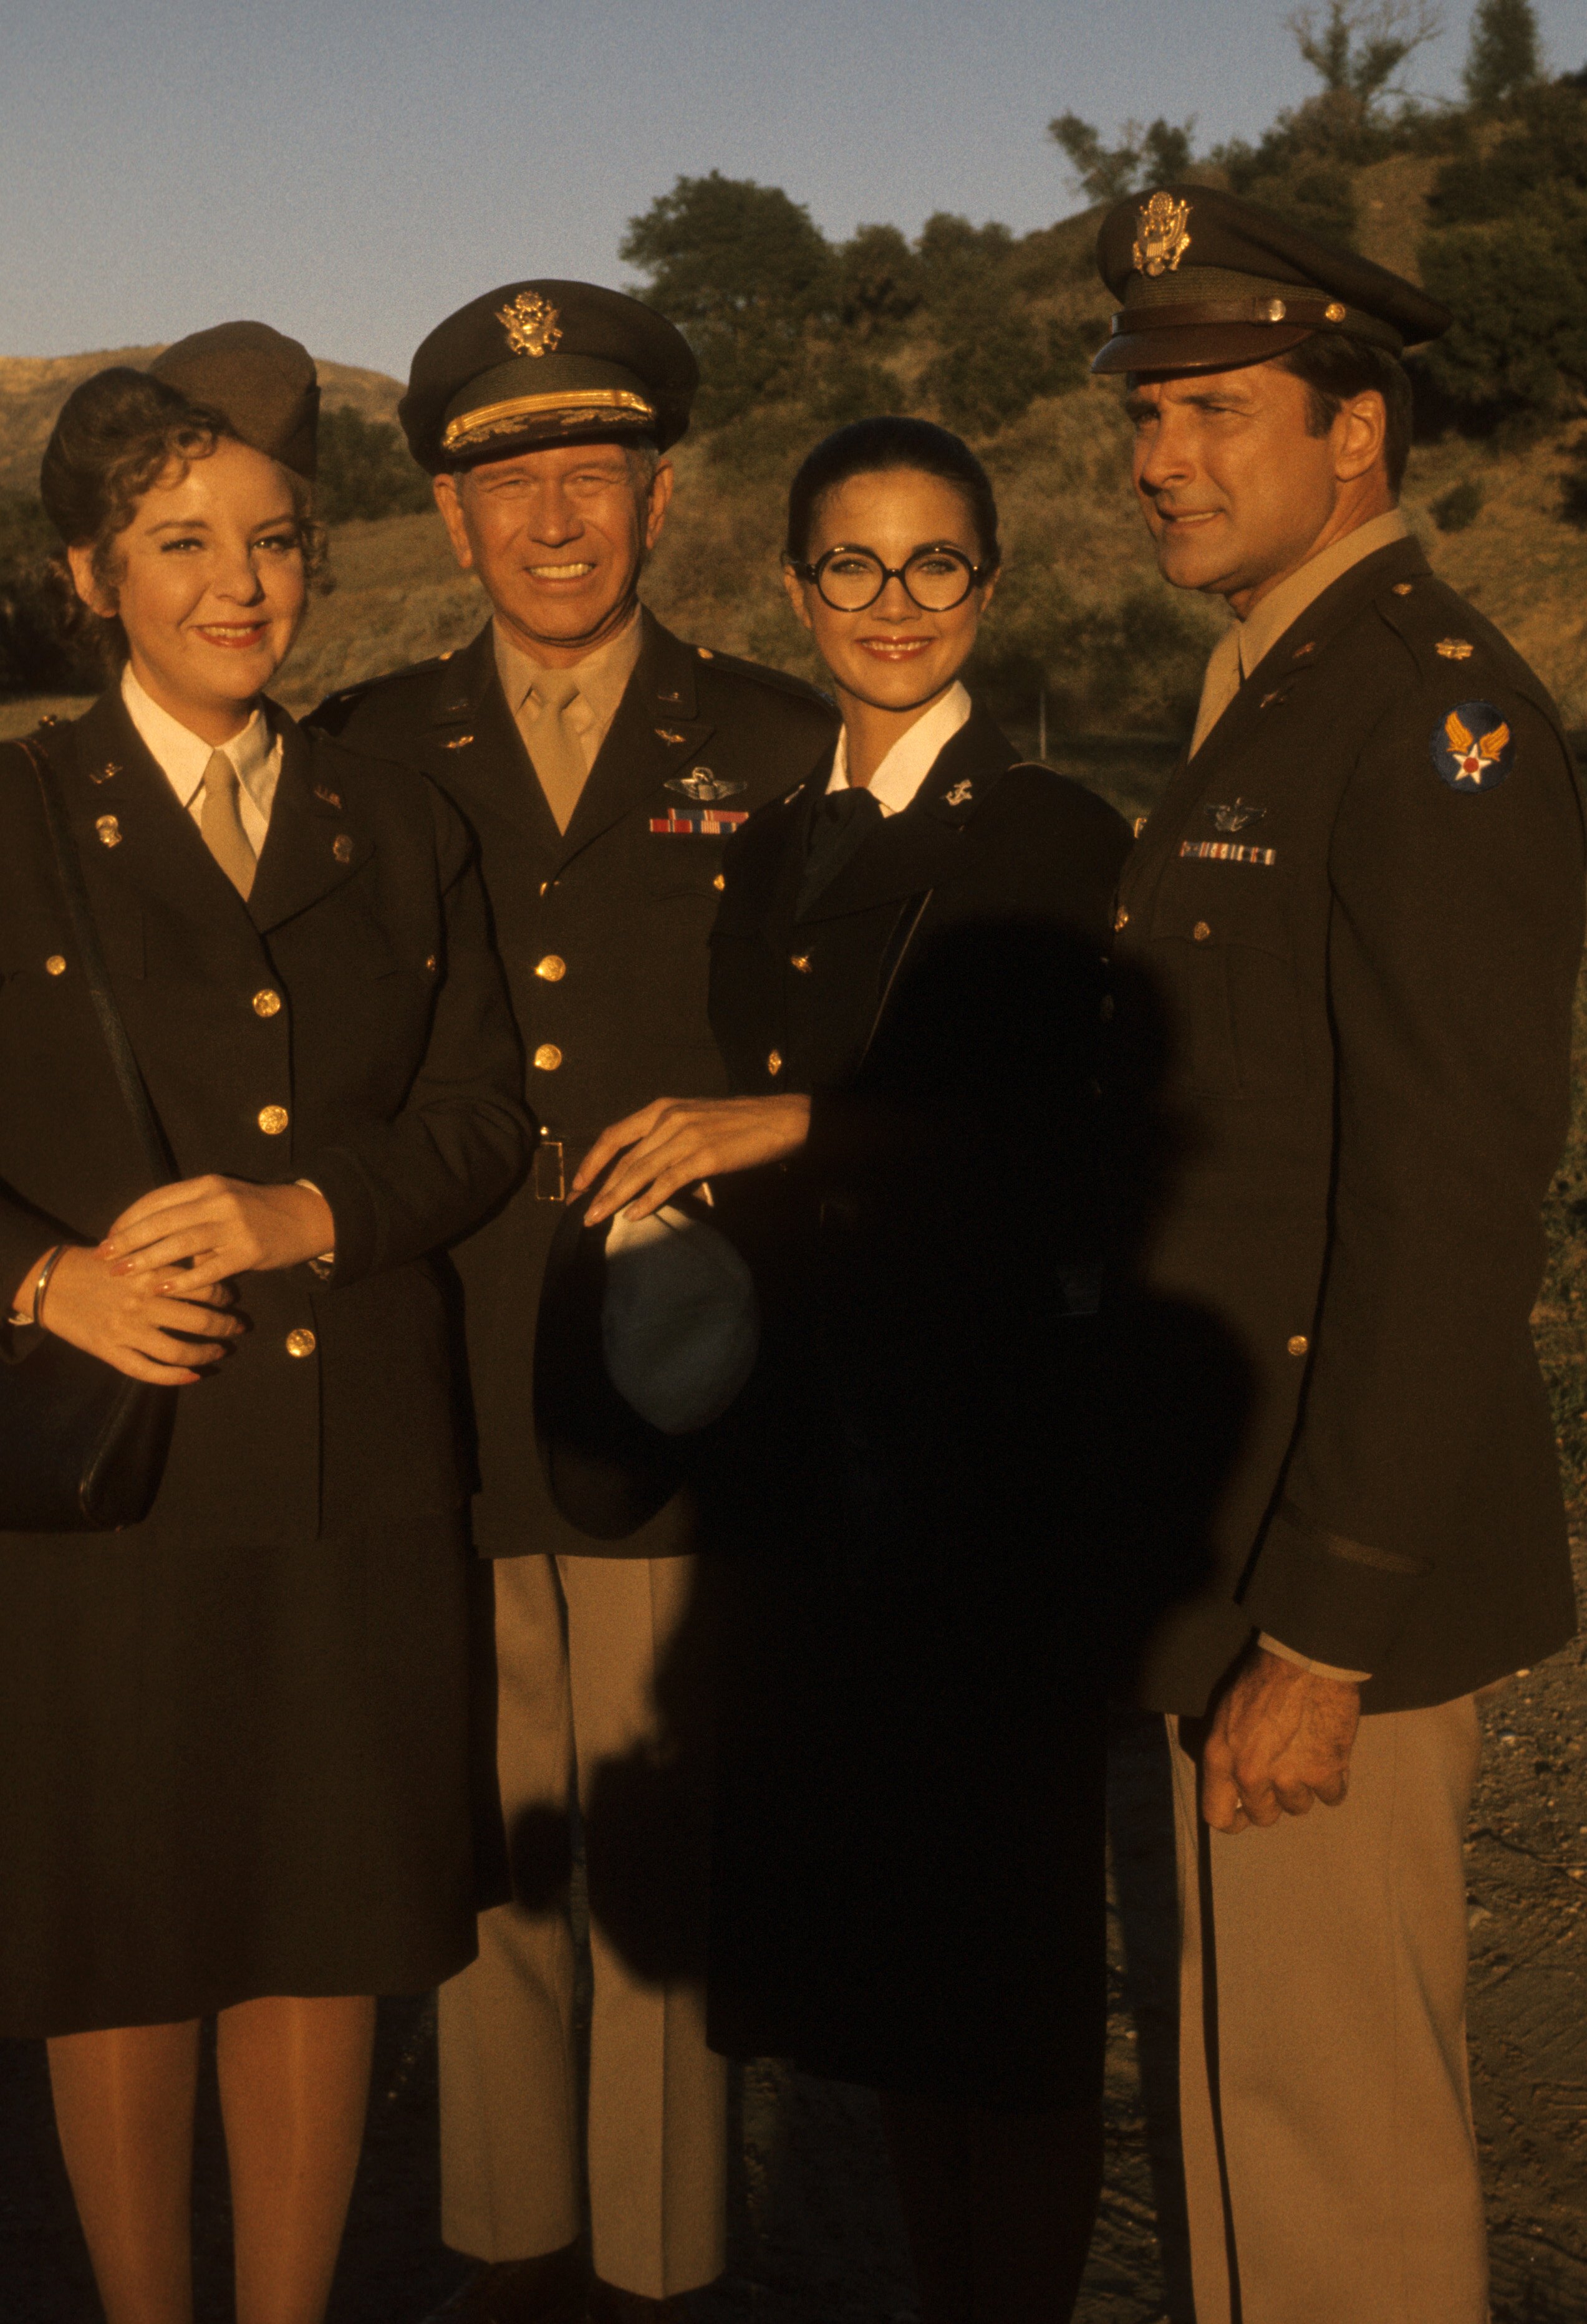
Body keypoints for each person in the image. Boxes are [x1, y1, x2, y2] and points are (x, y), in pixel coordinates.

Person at [307, 281, 837, 2324]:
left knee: (659, 1841)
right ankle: (511, 2250)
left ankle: (666, 2265)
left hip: (671, 1371)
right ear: (447, 519)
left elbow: (861, 1058)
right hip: (437, 1362)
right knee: (485, 1829)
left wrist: (777, 1129)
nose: (554, 519)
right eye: (508, 479)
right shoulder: (367, 748)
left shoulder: (784, 744)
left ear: (661, 499)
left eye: (592, 475)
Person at [575, 416, 1133, 2324]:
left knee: (1006, 1970)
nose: (892, 606)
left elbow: (1054, 1131)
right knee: (888, 1979)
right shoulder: (788, 836)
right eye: (851, 566)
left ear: (990, 583)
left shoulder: (1051, 831)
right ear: (792, 586)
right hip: (812, 1468)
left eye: (934, 566)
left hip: (980, 1469)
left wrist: (785, 1123)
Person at [0, 325, 533, 2324]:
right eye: (182, 541)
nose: (239, 585)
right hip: (110, 1477)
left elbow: (487, 1113)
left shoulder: (397, 821)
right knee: (116, 1938)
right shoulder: (16, 818)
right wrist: (44, 1280)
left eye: (278, 541)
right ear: (91, 577)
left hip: (352, 1468)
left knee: (318, 1929)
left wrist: (310, 1209)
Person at [1091, 185, 1585, 2324]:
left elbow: (1450, 1204)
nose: (1155, 455)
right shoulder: (1269, 690)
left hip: (1324, 1573)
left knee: (1339, 2153)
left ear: (1352, 432)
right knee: (1247, 2118)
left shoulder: (1433, 718)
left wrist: (1325, 1628)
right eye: (1144, 412)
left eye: (1210, 408)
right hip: (1236, 1532)